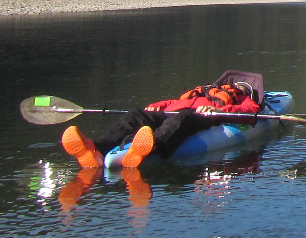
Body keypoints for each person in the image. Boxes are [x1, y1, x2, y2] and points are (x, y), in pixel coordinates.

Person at [60, 71, 265, 170]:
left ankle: (150, 146)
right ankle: (97, 147)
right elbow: (174, 102)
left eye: (241, 87)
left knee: (182, 119)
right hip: (173, 111)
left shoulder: (242, 99)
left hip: (203, 117)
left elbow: (250, 112)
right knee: (136, 115)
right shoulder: (201, 90)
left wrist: (218, 109)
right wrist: (157, 105)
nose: (237, 87)